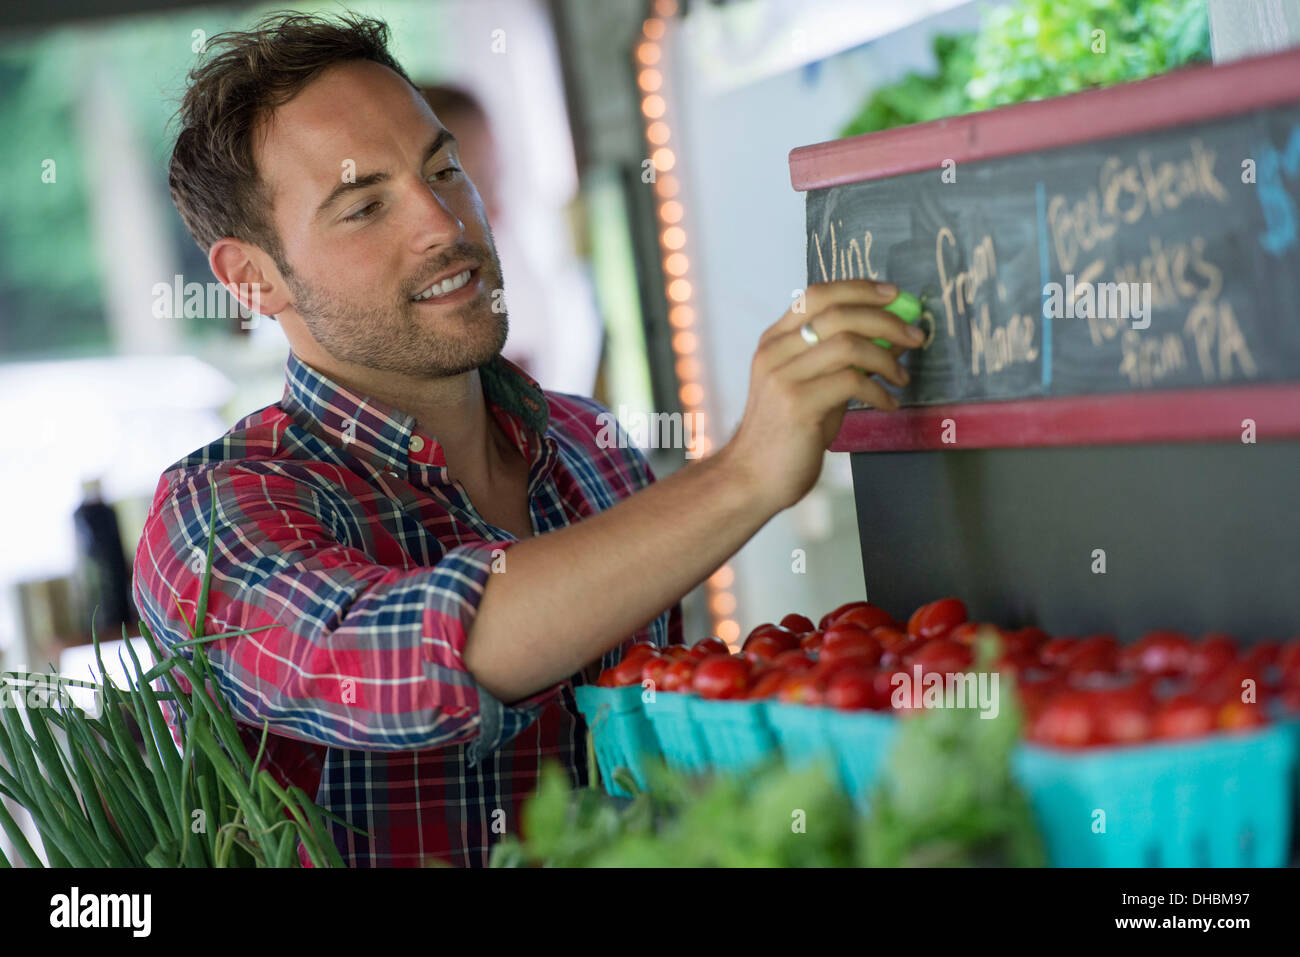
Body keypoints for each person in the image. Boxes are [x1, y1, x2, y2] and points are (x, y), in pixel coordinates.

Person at [135, 11, 921, 868]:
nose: (443, 223)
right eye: (365, 206)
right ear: (252, 278)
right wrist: (744, 473)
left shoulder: (590, 445)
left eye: (445, 169)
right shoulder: (212, 517)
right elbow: (418, 654)